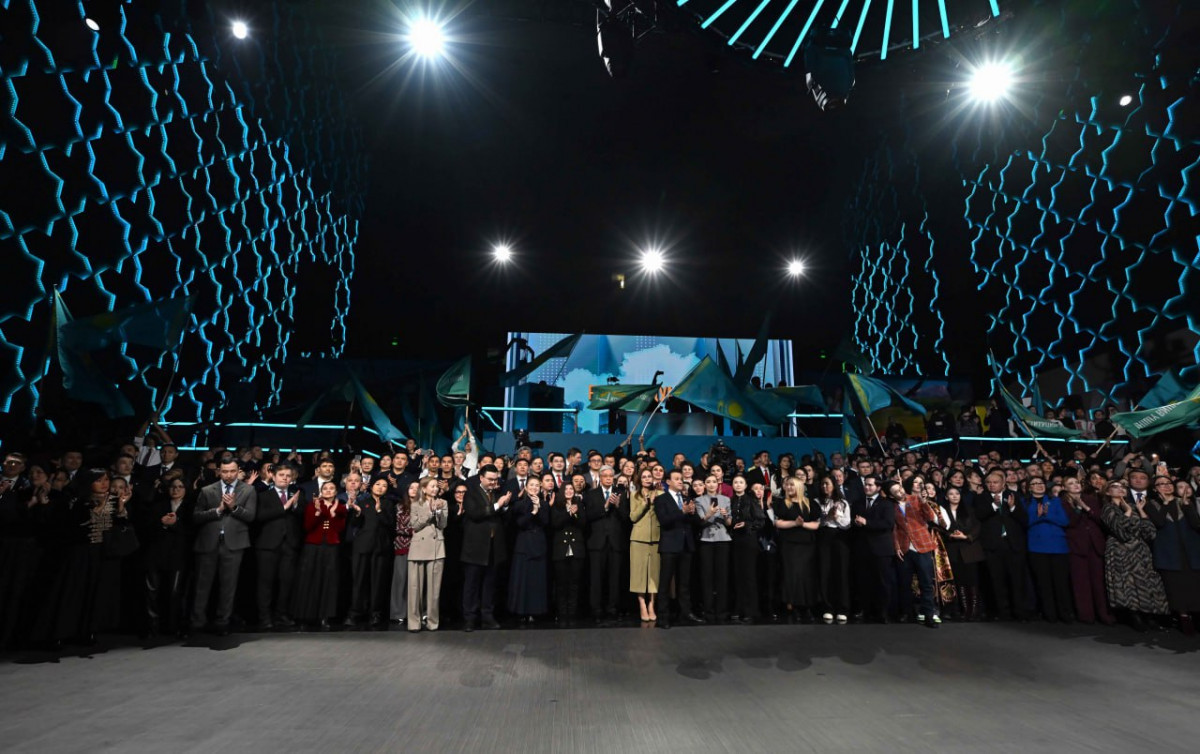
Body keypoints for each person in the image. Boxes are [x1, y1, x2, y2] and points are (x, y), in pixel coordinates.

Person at [190, 458, 257, 636]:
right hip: (208, 543)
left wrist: (234, 507)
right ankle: (197, 622)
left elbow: (250, 516)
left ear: (238, 470)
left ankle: (222, 622)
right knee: (202, 585)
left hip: (234, 544)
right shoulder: (207, 490)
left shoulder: (248, 490)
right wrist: (218, 510)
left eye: (232, 471)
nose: (229, 475)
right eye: (225, 471)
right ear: (219, 471)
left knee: (228, 586)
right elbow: (196, 516)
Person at [1100, 480, 1169, 631]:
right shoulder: (1107, 508)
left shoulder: (1134, 506)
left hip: (1141, 552)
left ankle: (1150, 615)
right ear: (1107, 492)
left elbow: (1150, 533)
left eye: (1122, 486)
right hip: (1120, 551)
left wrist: (1140, 511)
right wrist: (1127, 512)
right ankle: (1134, 617)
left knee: (1147, 583)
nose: (1120, 489)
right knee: (1128, 585)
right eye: (1115, 487)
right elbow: (1121, 532)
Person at [1144, 476, 1200, 634]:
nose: (1166, 486)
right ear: (1154, 488)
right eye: (1160, 484)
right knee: (1176, 588)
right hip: (1169, 554)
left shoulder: (1184, 501)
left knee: (1195, 586)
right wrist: (1166, 504)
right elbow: (1159, 522)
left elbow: (1196, 524)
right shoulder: (1151, 504)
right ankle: (1184, 618)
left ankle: (1197, 617)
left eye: (1168, 483)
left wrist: (1187, 506)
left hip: (1192, 551)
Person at [139, 472, 193, 637]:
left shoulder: (190, 507)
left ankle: (174, 626)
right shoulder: (158, 506)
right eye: (173, 487)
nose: (176, 490)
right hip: (156, 555)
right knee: (152, 592)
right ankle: (152, 627)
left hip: (178, 556)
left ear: (186, 489)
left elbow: (193, 531)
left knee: (174, 593)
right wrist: (162, 524)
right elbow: (146, 529)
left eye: (180, 487)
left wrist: (175, 524)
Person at [460, 464, 513, 631]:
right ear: (481, 478)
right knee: (472, 585)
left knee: (490, 584)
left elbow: (505, 519)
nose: (493, 483)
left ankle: (487, 616)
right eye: (490, 479)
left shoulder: (498, 493)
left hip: (494, 547)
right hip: (475, 548)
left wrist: (505, 505)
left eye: (495, 479)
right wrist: (498, 505)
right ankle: (470, 618)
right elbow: (475, 514)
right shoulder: (471, 493)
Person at [253, 463, 303, 631]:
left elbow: (303, 516)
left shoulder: (297, 494)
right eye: (281, 475)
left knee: (286, 583)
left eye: (288, 475)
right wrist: (284, 508)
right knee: (265, 583)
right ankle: (264, 617)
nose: (285, 478)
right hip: (267, 545)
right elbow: (258, 516)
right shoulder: (263, 495)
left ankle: (281, 615)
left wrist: (295, 506)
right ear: (273, 477)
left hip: (289, 545)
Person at [975, 470, 1029, 621]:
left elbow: (1024, 519)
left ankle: (1019, 612)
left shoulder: (1013, 496)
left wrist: (1012, 508)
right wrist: (994, 505)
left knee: (1017, 580)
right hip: (993, 546)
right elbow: (979, 516)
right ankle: (1002, 613)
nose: (991, 485)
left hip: (1013, 545)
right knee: (997, 581)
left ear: (1003, 483)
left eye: (995, 482)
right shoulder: (981, 498)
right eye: (989, 482)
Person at [653, 469, 703, 629]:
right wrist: (682, 511)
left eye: (681, 479)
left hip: (686, 545)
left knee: (685, 583)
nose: (680, 481)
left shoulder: (687, 498)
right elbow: (664, 520)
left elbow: (696, 521)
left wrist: (692, 513)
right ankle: (663, 617)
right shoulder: (661, 499)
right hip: (669, 545)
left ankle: (686, 613)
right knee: (665, 582)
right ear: (668, 482)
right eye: (677, 479)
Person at [1061, 475, 1113, 625]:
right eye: (1071, 483)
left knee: (1099, 582)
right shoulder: (1062, 503)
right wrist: (1078, 508)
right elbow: (1070, 523)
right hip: (1076, 546)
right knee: (1081, 582)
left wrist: (1086, 508)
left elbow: (1101, 520)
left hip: (1095, 544)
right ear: (1064, 488)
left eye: (1077, 482)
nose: (1076, 485)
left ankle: (1104, 614)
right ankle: (1086, 615)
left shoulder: (1092, 499)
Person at [346, 477, 394, 631]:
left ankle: (375, 613)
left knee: (377, 582)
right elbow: (355, 524)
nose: (380, 487)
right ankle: (355, 613)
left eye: (384, 486)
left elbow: (391, 524)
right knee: (359, 581)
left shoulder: (388, 504)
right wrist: (357, 513)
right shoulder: (363, 502)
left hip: (381, 547)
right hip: (362, 546)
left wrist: (379, 511)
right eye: (378, 484)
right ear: (371, 486)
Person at [1023, 476, 1074, 623]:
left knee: (1061, 582)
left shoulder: (1055, 501)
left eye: (1041, 483)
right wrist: (1038, 516)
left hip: (1058, 546)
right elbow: (1024, 523)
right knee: (1043, 583)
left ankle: (1065, 613)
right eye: (1034, 483)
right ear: (1029, 487)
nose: (1039, 485)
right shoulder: (1024, 502)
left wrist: (1046, 515)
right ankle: (1049, 613)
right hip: (1037, 547)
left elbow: (1064, 521)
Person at [892, 479, 940, 628]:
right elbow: (893, 528)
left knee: (926, 583)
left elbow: (930, 518)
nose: (899, 492)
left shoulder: (916, 499)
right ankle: (907, 613)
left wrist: (924, 502)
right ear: (891, 494)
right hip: (904, 548)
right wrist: (896, 546)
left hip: (922, 546)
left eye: (900, 488)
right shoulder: (891, 506)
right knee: (904, 583)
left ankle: (929, 615)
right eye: (895, 491)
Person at [774, 476, 822, 623]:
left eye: (792, 485)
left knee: (806, 575)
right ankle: (792, 605)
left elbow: (816, 524)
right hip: (789, 545)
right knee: (792, 575)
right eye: (787, 485)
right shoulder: (782, 503)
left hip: (807, 545)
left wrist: (802, 525)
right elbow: (778, 523)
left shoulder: (810, 503)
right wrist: (795, 523)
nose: (789, 487)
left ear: (799, 487)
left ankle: (807, 606)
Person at [584, 465, 626, 626]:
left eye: (610, 476)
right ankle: (596, 610)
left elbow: (626, 517)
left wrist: (618, 506)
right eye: (605, 476)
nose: (608, 478)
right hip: (597, 542)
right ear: (600, 478)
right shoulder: (591, 494)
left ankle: (612, 609)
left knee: (615, 579)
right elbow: (588, 516)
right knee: (596, 579)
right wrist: (605, 507)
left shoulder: (621, 493)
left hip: (615, 542)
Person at [408, 476, 449, 632]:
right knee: (414, 587)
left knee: (434, 589)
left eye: (436, 486)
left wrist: (438, 512)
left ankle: (432, 622)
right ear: (424, 489)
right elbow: (415, 526)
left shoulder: (443, 503)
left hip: (436, 547)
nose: (435, 489)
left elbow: (443, 525)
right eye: (432, 486)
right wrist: (429, 512)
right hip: (418, 546)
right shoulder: (415, 504)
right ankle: (414, 622)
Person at [938, 486, 984, 621]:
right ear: (946, 497)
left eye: (957, 493)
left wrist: (967, 536)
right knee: (959, 582)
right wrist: (950, 534)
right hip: (953, 549)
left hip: (970, 548)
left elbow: (977, 527)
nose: (954, 496)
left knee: (972, 581)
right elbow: (940, 528)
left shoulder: (969, 510)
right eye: (951, 494)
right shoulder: (942, 511)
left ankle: (974, 611)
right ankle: (964, 611)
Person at [508, 477, 550, 626]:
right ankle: (520, 612)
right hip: (524, 545)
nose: (534, 488)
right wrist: (533, 512)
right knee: (522, 579)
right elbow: (520, 523)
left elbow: (545, 522)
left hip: (538, 544)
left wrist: (539, 508)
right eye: (531, 485)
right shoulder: (519, 504)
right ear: (525, 487)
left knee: (536, 580)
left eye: (537, 485)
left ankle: (536, 612)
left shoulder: (545, 504)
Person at [814, 475, 852, 624]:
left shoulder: (843, 502)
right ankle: (827, 607)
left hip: (840, 538)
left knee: (841, 573)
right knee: (825, 572)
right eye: (822, 484)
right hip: (823, 538)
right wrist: (826, 518)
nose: (824, 486)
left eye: (827, 484)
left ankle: (843, 608)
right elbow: (816, 522)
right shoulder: (816, 502)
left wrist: (836, 518)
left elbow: (847, 524)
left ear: (834, 485)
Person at [694, 475, 731, 623]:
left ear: (718, 484)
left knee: (722, 577)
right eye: (708, 482)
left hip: (723, 540)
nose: (711, 484)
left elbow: (729, 523)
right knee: (707, 577)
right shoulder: (699, 500)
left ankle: (722, 612)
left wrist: (725, 516)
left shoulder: (726, 499)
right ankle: (708, 612)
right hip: (706, 540)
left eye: (714, 482)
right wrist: (710, 513)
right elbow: (701, 521)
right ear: (704, 485)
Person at [549, 478, 586, 627]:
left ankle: (572, 614)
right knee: (561, 584)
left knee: (574, 584)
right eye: (566, 489)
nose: (569, 491)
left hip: (576, 550)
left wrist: (576, 513)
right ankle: (562, 614)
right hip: (560, 550)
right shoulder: (557, 506)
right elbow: (555, 524)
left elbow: (584, 524)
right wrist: (568, 513)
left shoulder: (580, 504)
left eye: (571, 489)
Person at [627, 468, 661, 624]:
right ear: (640, 480)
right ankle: (642, 605)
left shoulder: (660, 494)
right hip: (638, 538)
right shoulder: (635, 495)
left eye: (649, 476)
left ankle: (652, 605)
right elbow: (633, 517)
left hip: (657, 537)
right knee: (639, 574)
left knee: (654, 574)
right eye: (644, 477)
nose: (647, 479)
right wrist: (646, 503)